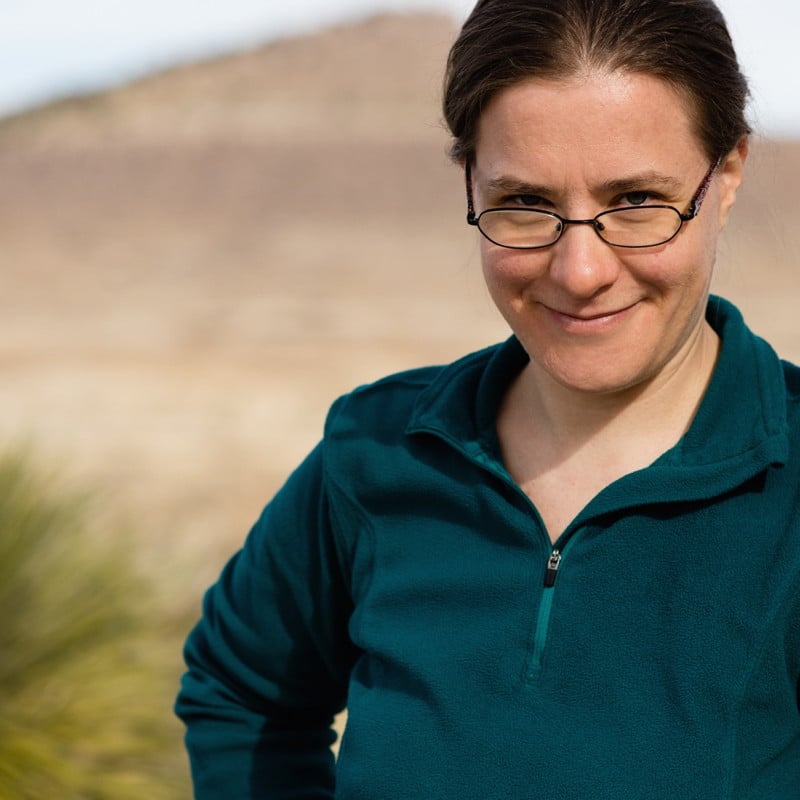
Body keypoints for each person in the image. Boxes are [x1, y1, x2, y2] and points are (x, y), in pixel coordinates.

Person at [175, 0, 800, 796]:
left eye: (638, 200)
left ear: (729, 172)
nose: (580, 271)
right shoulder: (375, 450)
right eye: (527, 203)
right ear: (471, 179)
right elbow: (241, 696)